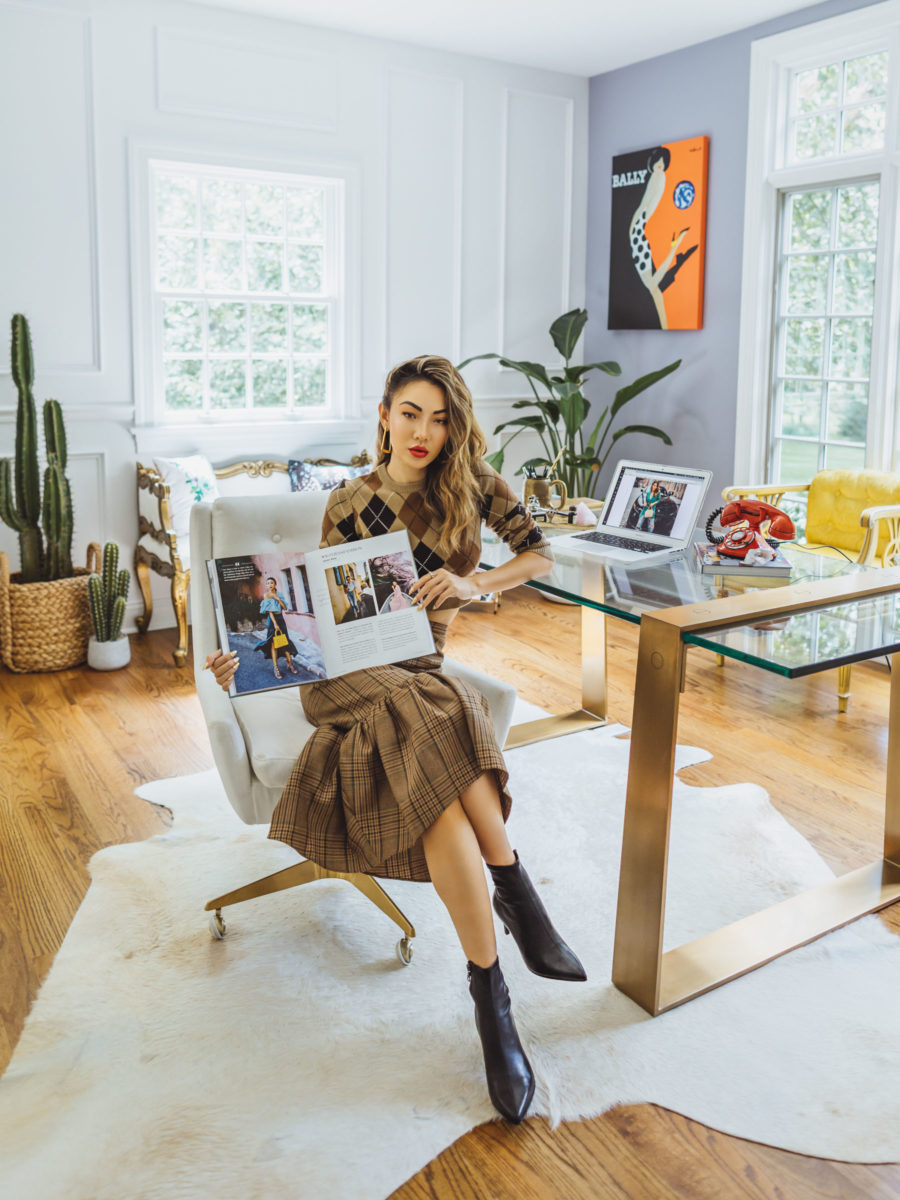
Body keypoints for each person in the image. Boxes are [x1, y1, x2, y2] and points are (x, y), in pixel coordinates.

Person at [206, 355, 586, 1124]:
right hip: (341, 679)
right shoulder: (348, 499)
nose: (424, 432)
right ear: (384, 413)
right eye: (410, 413)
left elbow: (541, 553)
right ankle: (514, 887)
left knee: (438, 779)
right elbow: (311, 615)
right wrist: (239, 660)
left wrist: (478, 585)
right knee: (441, 708)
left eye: (441, 418)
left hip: (418, 667)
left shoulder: (474, 483)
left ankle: (490, 996)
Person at [255, 577, 300, 679]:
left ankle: (290, 664)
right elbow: (269, 612)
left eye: (271, 583)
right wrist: (275, 624)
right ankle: (276, 668)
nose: (270, 584)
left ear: (275, 585)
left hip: (281, 618)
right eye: (268, 583)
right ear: (266, 586)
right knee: (274, 644)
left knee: (284, 642)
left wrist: (278, 599)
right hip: (273, 621)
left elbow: (284, 608)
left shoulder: (279, 595)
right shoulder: (266, 595)